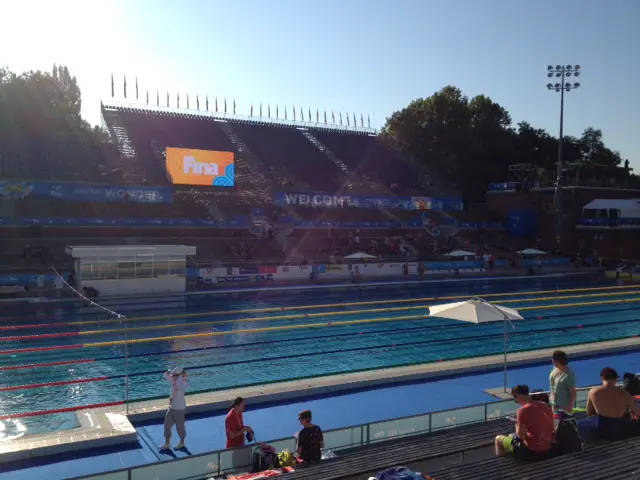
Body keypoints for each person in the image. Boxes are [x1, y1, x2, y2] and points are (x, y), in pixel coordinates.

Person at [495, 385, 554, 460]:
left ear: (517, 395)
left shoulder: (522, 410)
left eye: (515, 399)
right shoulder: (545, 405)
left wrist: (517, 427)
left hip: (532, 451)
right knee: (511, 436)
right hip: (548, 447)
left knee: (498, 439)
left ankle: (502, 462)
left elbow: (521, 437)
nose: (516, 402)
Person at [586, 367, 640, 440]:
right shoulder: (624, 393)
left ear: (602, 377)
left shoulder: (593, 392)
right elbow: (637, 412)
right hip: (622, 430)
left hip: (603, 430)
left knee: (580, 425)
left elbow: (589, 412)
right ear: (616, 379)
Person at [160, 366, 188, 451]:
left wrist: (179, 376)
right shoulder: (174, 380)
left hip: (179, 409)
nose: (173, 376)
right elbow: (165, 375)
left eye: (175, 375)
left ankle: (182, 442)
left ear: (179, 376)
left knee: (180, 428)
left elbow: (179, 386)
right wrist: (170, 372)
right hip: (171, 408)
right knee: (167, 425)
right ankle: (167, 443)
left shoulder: (184, 383)